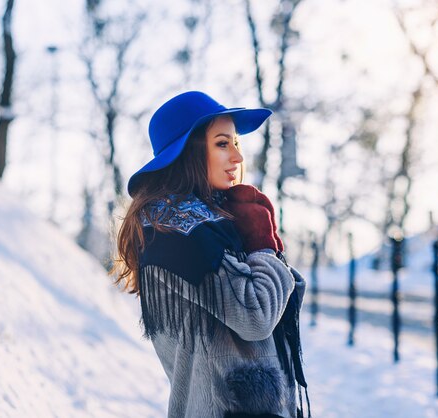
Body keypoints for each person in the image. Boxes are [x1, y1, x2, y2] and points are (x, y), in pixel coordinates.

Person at [112, 91, 310, 418]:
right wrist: (262, 242)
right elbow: (256, 313)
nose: (237, 157)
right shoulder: (177, 231)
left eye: (236, 143)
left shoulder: (208, 223)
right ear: (186, 153)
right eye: (222, 143)